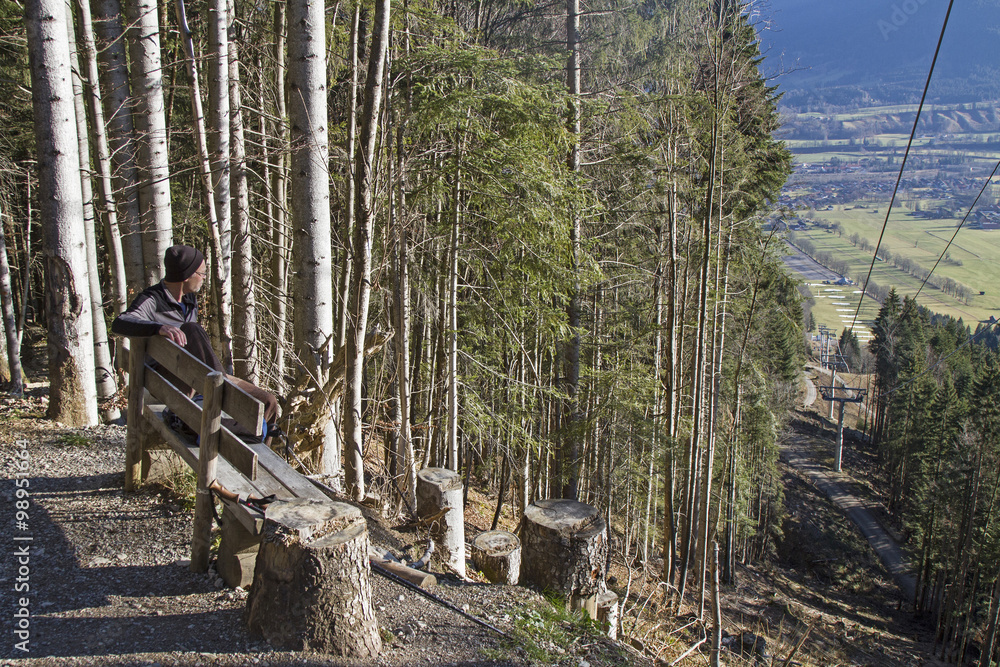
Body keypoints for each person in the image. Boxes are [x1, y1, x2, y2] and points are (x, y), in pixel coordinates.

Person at [112, 245, 279, 434]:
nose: (204, 278)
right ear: (186, 276)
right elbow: (120, 322)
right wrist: (159, 328)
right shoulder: (153, 299)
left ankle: (256, 455)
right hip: (169, 379)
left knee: (268, 402)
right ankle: (223, 392)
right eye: (202, 274)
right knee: (192, 329)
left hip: (201, 375)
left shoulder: (190, 301)